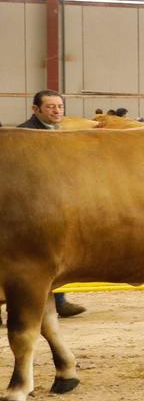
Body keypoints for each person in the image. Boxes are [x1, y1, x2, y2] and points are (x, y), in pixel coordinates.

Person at [17, 91, 85, 318]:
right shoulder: (24, 134)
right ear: (35, 110)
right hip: (28, 207)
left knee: (54, 257)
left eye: (60, 107)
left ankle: (58, 300)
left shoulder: (62, 132)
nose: (57, 111)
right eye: (51, 107)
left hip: (54, 203)